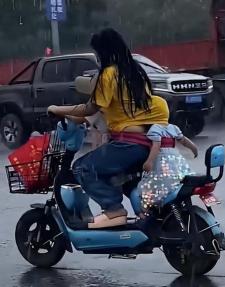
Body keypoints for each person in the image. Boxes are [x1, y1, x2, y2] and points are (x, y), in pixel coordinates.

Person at [48, 28, 170, 228]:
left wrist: (56, 108)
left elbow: (90, 107)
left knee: (82, 167)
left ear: (103, 52)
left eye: (97, 53)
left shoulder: (109, 74)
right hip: (144, 143)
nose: (97, 58)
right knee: (115, 175)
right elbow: (102, 113)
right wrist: (72, 116)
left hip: (126, 144)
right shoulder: (134, 72)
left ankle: (114, 210)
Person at [138, 123, 198, 218]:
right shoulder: (173, 127)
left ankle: (147, 211)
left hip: (162, 160)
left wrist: (149, 162)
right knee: (175, 181)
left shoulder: (155, 128)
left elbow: (156, 146)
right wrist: (194, 149)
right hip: (175, 159)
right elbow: (184, 141)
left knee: (154, 184)